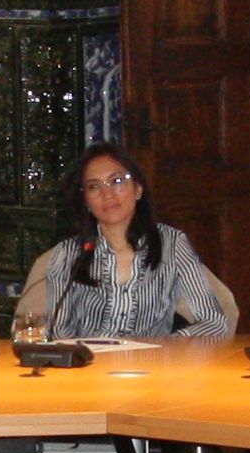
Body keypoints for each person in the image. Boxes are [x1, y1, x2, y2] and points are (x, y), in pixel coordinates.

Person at [14, 142, 238, 340]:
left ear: (138, 189)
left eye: (117, 181)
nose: (107, 194)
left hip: (154, 372)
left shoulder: (171, 243)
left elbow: (214, 323)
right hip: (89, 374)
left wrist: (166, 347)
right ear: (85, 201)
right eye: (94, 187)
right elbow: (57, 333)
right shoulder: (68, 253)